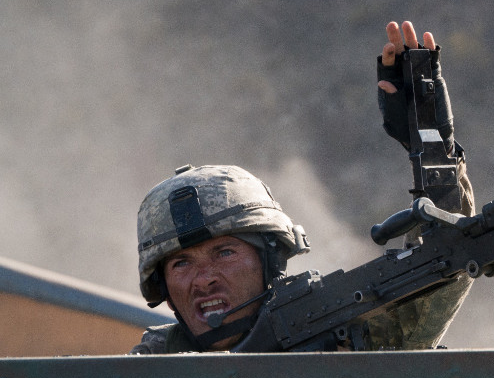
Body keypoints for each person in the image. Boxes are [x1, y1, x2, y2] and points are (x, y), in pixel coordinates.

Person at [129, 21, 473, 354]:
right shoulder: (146, 374)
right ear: (164, 289)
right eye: (181, 264)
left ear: (270, 261)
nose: (204, 280)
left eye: (225, 252)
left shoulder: (343, 340)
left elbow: (445, 259)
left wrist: (433, 152)